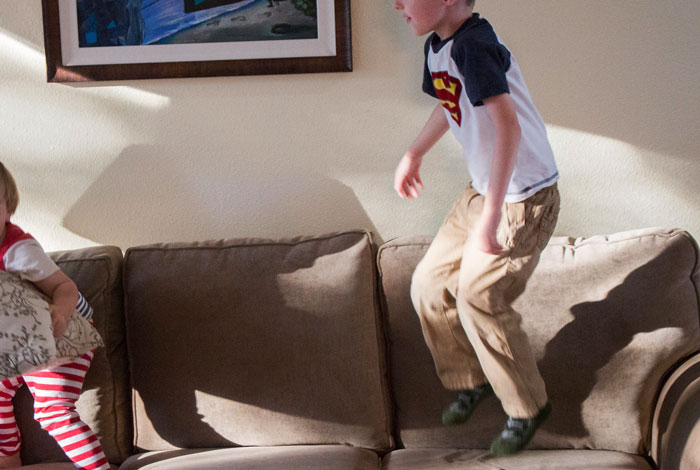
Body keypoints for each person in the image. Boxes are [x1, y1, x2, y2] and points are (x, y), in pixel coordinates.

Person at [392, 0, 560, 456]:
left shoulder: (476, 46)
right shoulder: (438, 47)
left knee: (479, 297)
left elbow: (509, 130)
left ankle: (528, 407)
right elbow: (450, 104)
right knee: (428, 284)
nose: (397, 4)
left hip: (523, 197)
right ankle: (471, 380)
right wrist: (414, 153)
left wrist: (492, 217)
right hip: (484, 189)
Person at [0, 163, 110, 470]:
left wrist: (60, 314)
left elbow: (64, 287)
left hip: (65, 332)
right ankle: (8, 458)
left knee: (53, 411)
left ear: (8, 210)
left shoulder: (18, 251)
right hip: (21, 339)